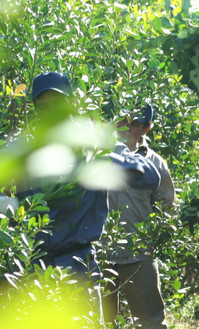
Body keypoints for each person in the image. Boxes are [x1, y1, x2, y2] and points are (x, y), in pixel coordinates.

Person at [15, 72, 161, 277]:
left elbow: (150, 177)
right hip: (32, 268)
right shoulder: (26, 149)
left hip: (77, 268)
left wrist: (100, 158)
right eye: (43, 108)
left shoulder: (94, 144)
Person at [103, 103, 175, 329]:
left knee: (150, 322)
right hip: (99, 254)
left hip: (138, 256)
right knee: (98, 322)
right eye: (122, 121)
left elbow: (167, 205)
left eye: (133, 123)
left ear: (146, 129)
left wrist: (152, 240)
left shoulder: (154, 163)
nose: (125, 127)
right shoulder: (98, 157)